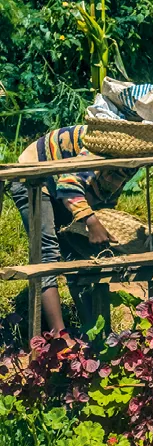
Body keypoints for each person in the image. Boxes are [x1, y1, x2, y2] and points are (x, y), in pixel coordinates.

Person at [7, 125, 137, 333]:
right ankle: (60, 336)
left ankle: (94, 331)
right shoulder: (97, 151)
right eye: (113, 175)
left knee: (76, 253)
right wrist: (91, 222)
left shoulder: (131, 158)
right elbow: (68, 186)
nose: (116, 179)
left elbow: (104, 195)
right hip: (33, 176)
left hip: (62, 182)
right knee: (46, 253)